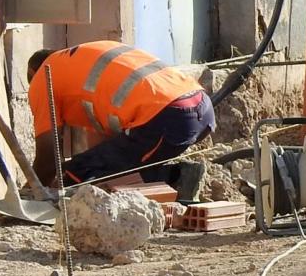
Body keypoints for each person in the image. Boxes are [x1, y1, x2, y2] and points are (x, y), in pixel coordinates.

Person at [27, 43, 214, 186]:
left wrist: (32, 191)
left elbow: (48, 159)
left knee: (80, 171)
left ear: (32, 73)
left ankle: (177, 178)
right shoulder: (82, 61)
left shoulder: (43, 76)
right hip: (201, 106)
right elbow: (106, 149)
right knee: (114, 167)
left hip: (167, 117)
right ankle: (174, 180)